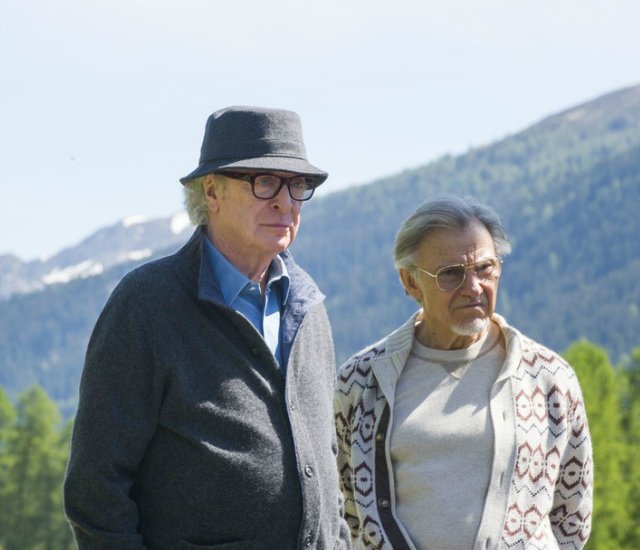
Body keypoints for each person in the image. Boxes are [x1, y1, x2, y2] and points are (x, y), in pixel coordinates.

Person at [64, 106, 351, 550]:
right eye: (264, 182)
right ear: (212, 191)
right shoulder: (147, 304)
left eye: (297, 184)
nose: (285, 201)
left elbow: (326, 464)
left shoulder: (308, 306)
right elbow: (95, 489)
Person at [334, 196, 593, 549]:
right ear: (411, 282)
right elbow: (343, 507)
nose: (473, 288)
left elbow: (572, 517)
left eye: (485, 268)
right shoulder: (361, 381)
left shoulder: (549, 378)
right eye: (451, 274)